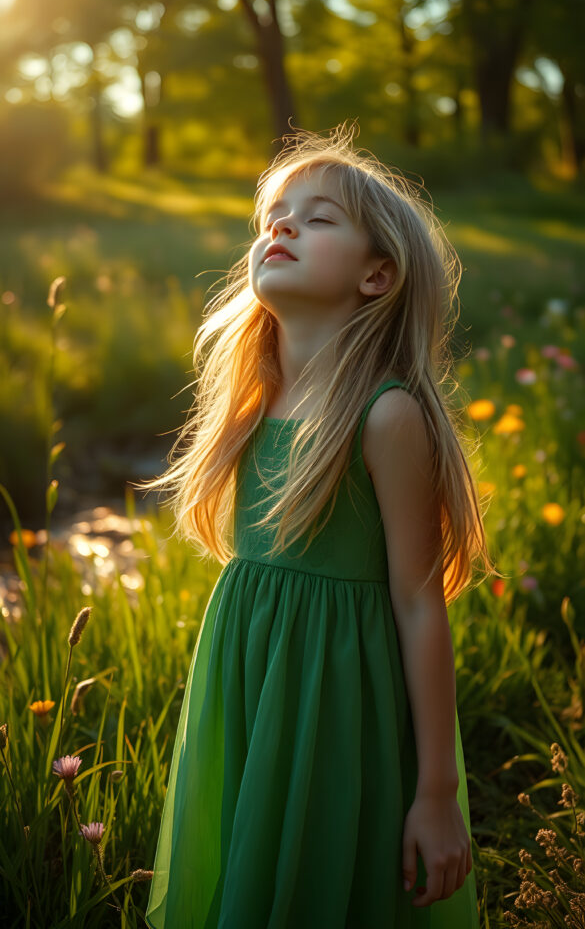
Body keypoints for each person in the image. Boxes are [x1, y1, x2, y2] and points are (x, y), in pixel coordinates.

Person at [142, 123, 496, 928]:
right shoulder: (253, 406)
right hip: (254, 680)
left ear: (377, 275)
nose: (281, 227)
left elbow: (417, 602)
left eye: (317, 218)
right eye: (272, 215)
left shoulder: (386, 415)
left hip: (338, 701)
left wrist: (437, 795)